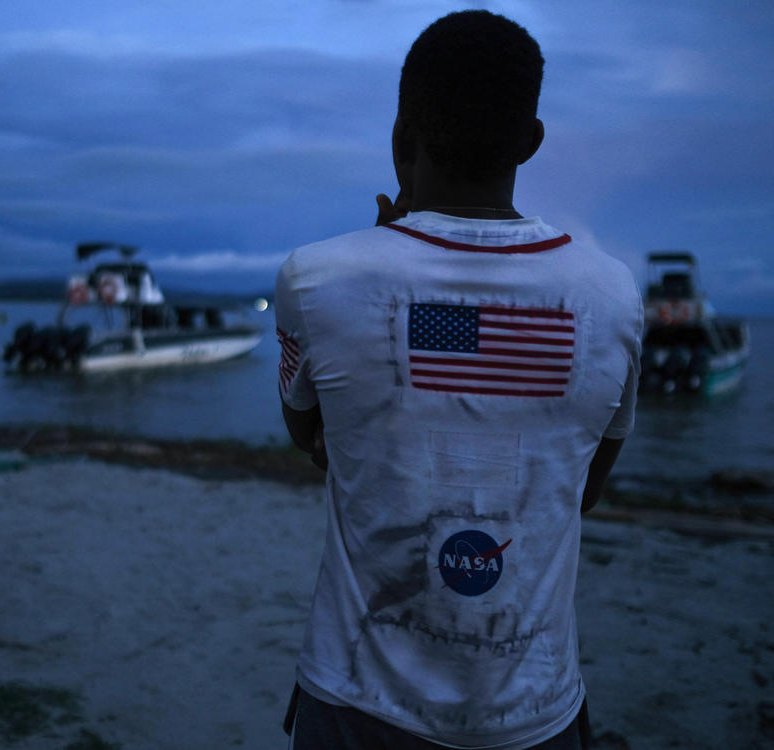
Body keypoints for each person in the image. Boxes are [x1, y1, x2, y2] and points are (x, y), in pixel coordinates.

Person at [275, 10, 642, 750]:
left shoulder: (316, 280)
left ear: (399, 140)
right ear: (530, 142)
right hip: (533, 715)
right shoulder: (611, 297)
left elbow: (311, 436)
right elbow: (585, 488)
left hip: (353, 703)